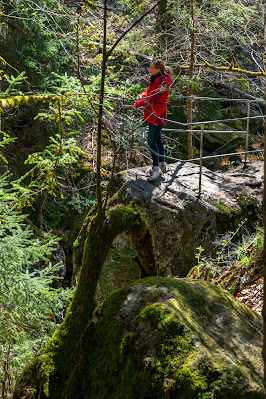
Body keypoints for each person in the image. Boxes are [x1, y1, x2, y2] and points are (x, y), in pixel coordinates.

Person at [134, 59, 172, 182]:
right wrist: (141, 95)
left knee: (151, 142)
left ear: (158, 69)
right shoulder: (157, 79)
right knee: (157, 140)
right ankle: (162, 163)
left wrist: (138, 103)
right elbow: (149, 92)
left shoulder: (163, 82)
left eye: (151, 67)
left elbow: (154, 98)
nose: (149, 69)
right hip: (154, 114)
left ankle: (156, 169)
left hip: (157, 114)